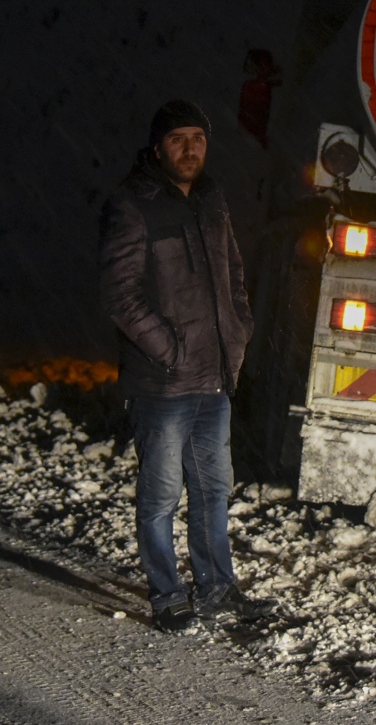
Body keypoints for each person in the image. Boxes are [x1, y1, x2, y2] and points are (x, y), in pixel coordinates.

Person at [97, 99, 275, 632]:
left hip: (214, 377)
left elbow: (234, 273)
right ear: (158, 147)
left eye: (198, 137)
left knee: (213, 491)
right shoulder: (134, 205)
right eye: (178, 139)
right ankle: (167, 594)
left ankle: (218, 585)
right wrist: (169, 348)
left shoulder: (211, 200)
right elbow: (119, 293)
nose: (190, 148)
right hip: (164, 383)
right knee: (160, 496)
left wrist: (238, 329)